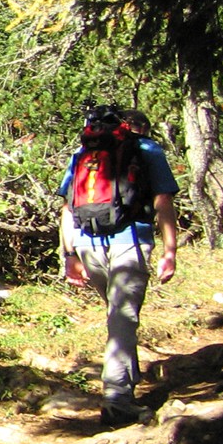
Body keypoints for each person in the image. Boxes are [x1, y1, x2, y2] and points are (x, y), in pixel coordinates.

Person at [59, 107, 179, 426]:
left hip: (86, 243)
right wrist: (171, 250)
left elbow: (67, 208)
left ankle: (127, 380)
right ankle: (117, 399)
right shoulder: (148, 149)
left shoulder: (83, 153)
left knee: (117, 315)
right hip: (131, 241)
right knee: (121, 316)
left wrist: (68, 256)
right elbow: (163, 202)